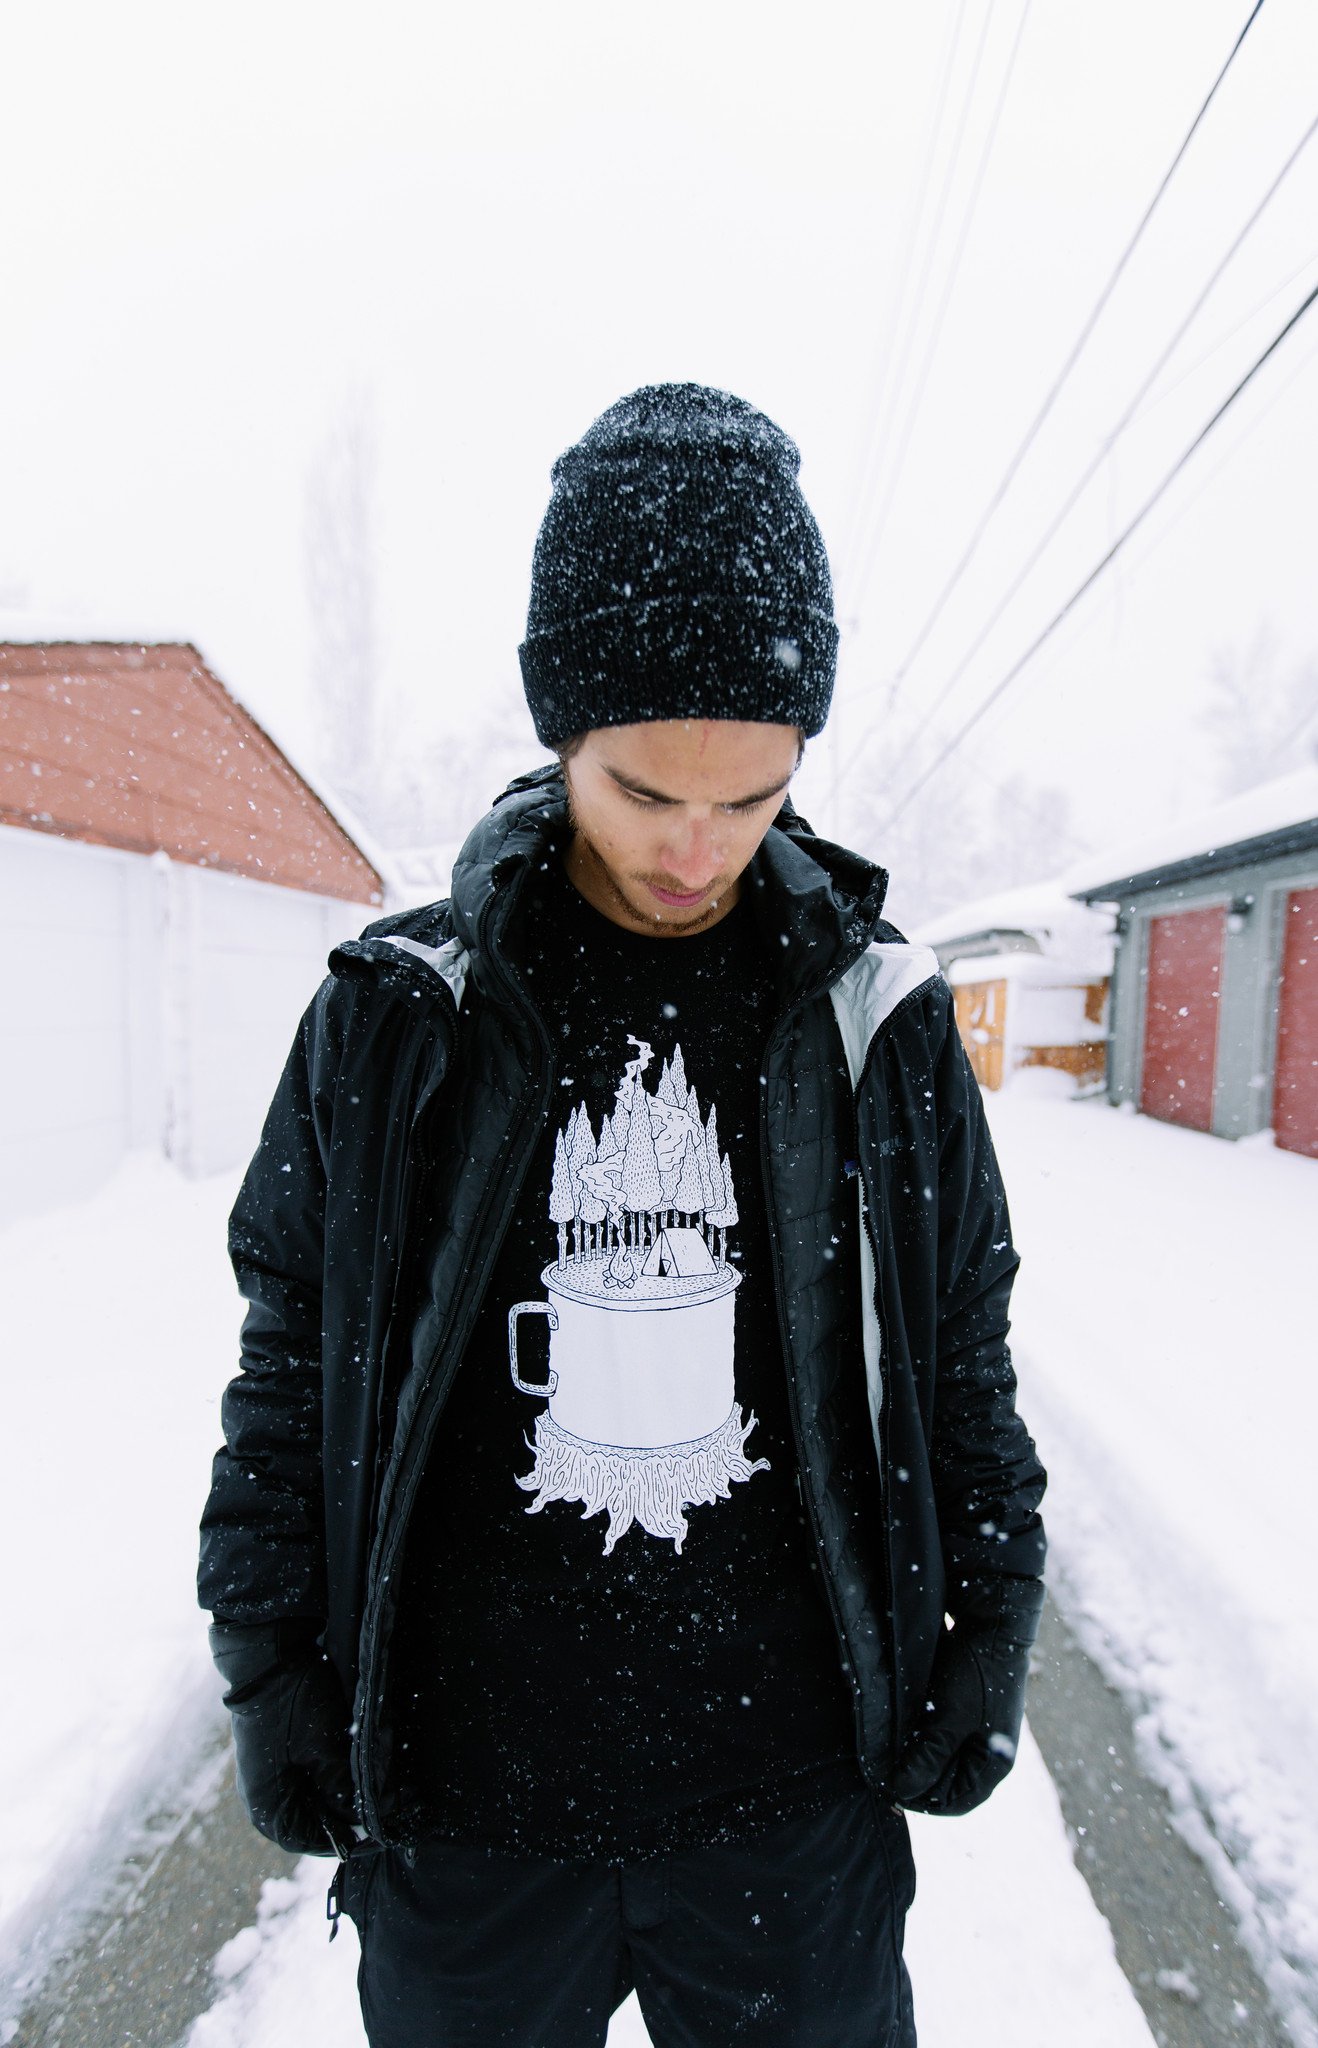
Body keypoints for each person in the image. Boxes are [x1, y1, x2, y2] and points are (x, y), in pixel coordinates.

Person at [199, 383, 1046, 2048]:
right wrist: (265, 1653)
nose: (696, 846)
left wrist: (994, 1613)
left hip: (786, 1818)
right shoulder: (400, 1018)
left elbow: (959, 1348)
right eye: (644, 788)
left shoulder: (875, 1024)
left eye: (749, 795)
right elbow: (290, 1354)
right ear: (556, 731)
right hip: (469, 1812)